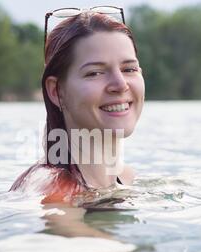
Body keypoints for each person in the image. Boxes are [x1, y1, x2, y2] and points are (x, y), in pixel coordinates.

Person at [10, 7, 145, 205]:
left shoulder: (127, 177)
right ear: (56, 91)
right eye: (95, 73)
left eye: (129, 69)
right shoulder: (53, 188)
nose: (120, 84)